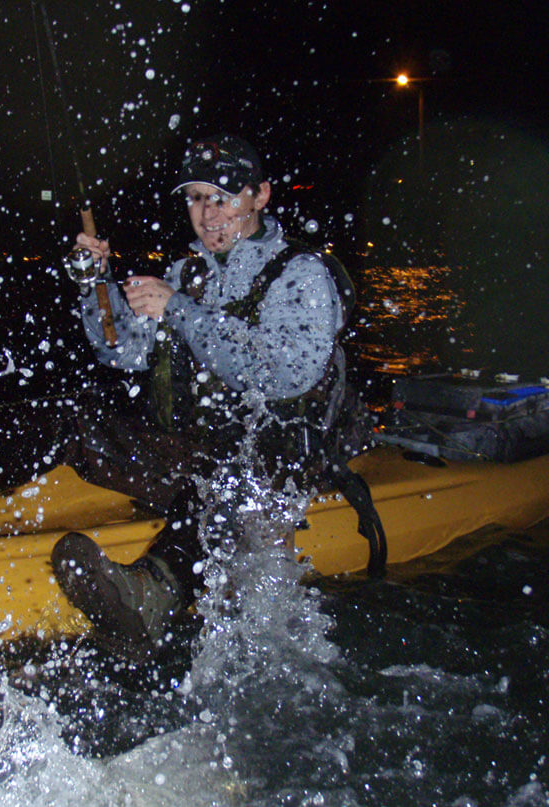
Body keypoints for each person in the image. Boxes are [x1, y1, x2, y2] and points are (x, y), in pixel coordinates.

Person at [49, 134, 377, 651]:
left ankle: (150, 595)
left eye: (222, 197)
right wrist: (98, 284)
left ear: (260, 196)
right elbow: (123, 353)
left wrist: (179, 309)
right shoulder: (187, 274)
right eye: (196, 198)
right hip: (202, 451)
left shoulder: (302, 274)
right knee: (69, 417)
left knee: (226, 475)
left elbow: (279, 373)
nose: (207, 214)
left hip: (285, 465)